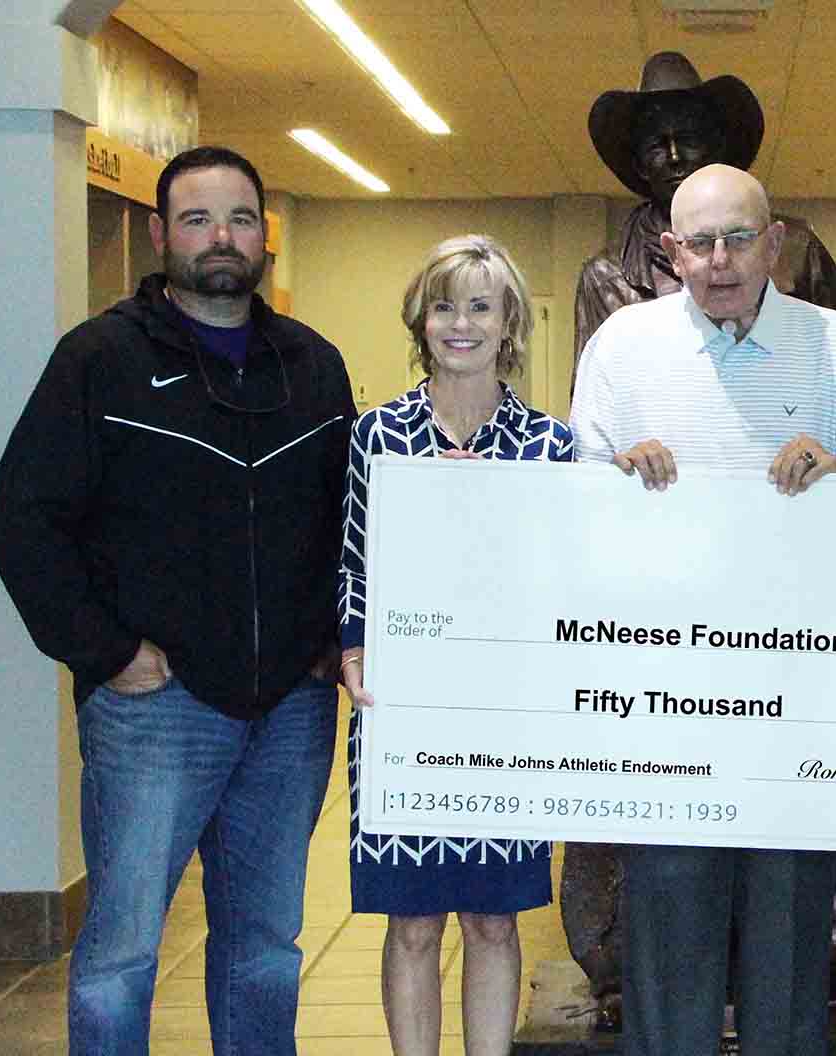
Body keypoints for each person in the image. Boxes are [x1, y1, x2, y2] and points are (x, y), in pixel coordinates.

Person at [0, 145, 353, 1055]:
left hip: (291, 713)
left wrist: (329, 637)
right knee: (121, 954)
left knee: (266, 949)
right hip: (157, 711)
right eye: (196, 219)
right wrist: (105, 652)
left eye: (237, 218)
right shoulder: (98, 360)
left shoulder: (312, 366)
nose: (219, 238)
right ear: (160, 236)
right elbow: (26, 519)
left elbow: (349, 518)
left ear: (262, 234)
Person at [568, 162, 836, 1056]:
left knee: (790, 946)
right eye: (699, 243)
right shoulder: (622, 349)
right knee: (667, 946)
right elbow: (571, 518)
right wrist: (612, 481)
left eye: (739, 238)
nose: (719, 261)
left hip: (797, 708)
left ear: (775, 244)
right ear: (670, 252)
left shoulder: (835, 350)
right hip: (663, 705)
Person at [337, 235, 571, 1055]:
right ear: (421, 319)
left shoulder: (551, 449)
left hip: (504, 720)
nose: (460, 323)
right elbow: (352, 562)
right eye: (445, 305)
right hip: (403, 714)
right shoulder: (376, 437)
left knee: (494, 920)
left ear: (508, 320)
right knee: (410, 923)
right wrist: (352, 648)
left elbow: (563, 582)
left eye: (479, 305)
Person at [577, 50, 836, 347]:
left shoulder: (795, 251)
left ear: (716, 148)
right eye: (657, 145)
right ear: (639, 164)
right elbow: (592, 388)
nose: (675, 157)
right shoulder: (605, 276)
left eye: (688, 139)